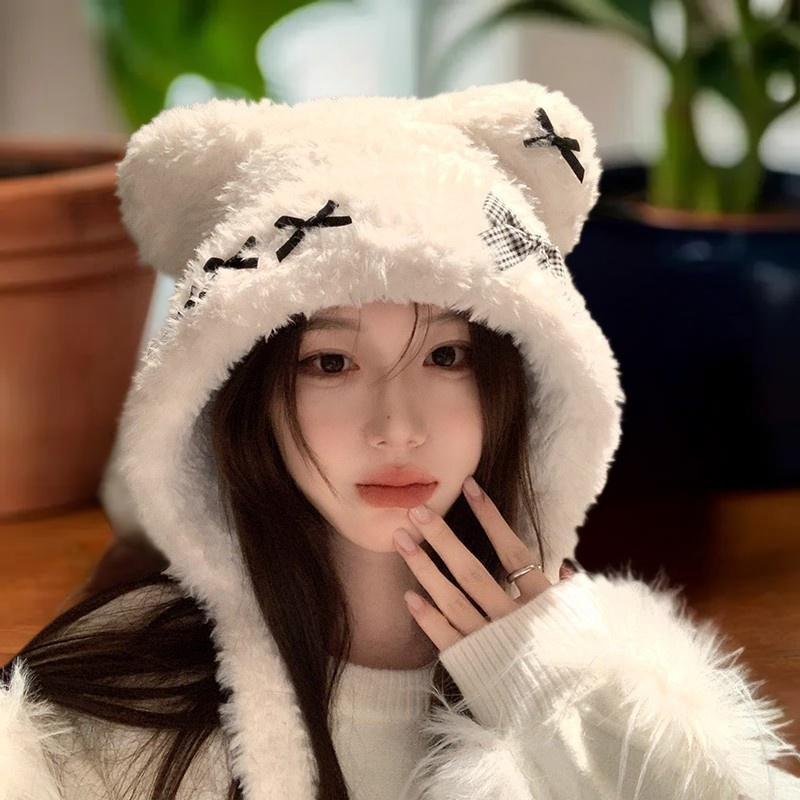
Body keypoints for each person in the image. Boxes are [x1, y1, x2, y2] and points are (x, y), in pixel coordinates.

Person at [1, 80, 799, 800]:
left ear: (527, 381)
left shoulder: (607, 687)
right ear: (237, 392)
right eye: (331, 362)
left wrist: (566, 701)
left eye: (447, 356)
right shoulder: (105, 719)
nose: (397, 427)